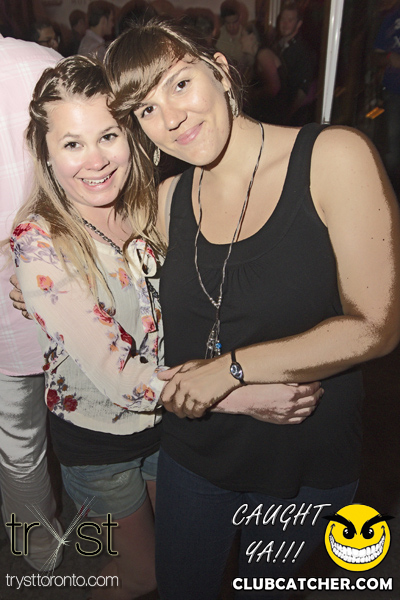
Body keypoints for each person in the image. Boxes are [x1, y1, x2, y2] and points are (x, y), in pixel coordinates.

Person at [104, 17, 400, 599]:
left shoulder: (332, 157)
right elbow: (110, 293)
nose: (172, 118)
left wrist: (230, 370)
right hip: (194, 455)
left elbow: (377, 325)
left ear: (219, 70)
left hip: (304, 465)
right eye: (146, 109)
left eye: (180, 84)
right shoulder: (166, 200)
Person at [8, 55, 166, 600]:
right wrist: (236, 391)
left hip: (171, 422)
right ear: (46, 154)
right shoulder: (38, 240)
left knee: (172, 552)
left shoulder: (150, 206)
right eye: (73, 143)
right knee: (139, 575)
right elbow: (117, 375)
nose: (95, 160)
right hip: (100, 443)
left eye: (108, 136)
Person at [0, 34, 63, 571]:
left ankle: (39, 550)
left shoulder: (41, 66)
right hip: (64, 289)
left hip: (18, 311)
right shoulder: (42, 64)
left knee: (21, 443)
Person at [273, 2, 316, 125]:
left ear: (299, 24)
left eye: (290, 20)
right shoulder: (275, 45)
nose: (285, 24)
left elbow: (302, 90)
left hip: (292, 119)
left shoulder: (304, 52)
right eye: (283, 20)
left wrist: (287, 116)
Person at [374, 0, 400, 194]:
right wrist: (390, 58)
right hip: (394, 93)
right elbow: (375, 56)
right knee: (392, 151)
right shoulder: (391, 19)